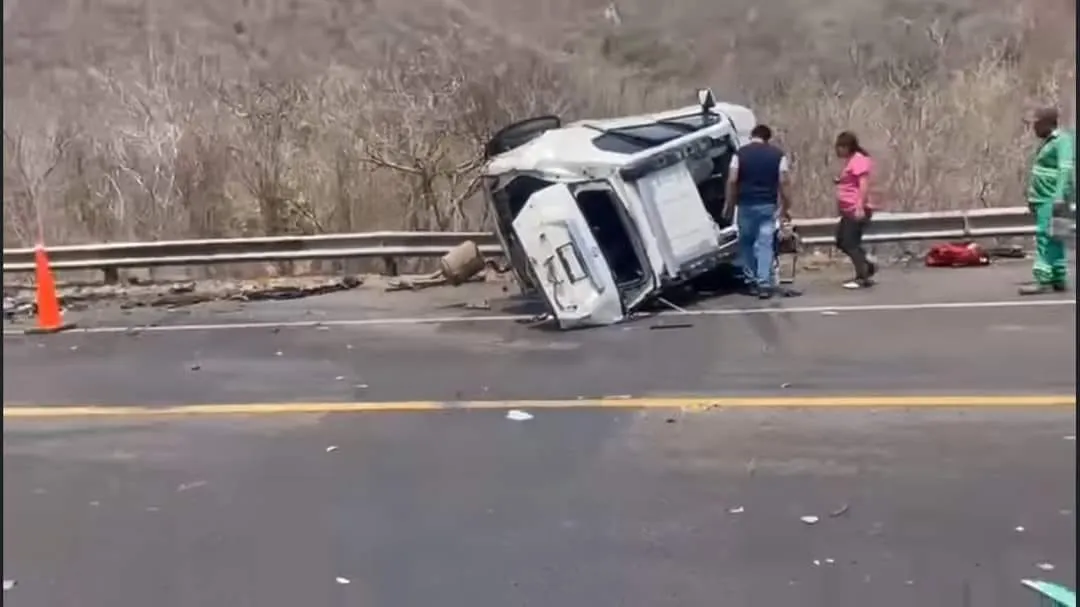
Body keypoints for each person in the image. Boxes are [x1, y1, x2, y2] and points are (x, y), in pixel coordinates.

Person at [725, 123, 792, 299]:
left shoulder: (739, 154)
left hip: (745, 204)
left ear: (752, 136)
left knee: (746, 243)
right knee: (765, 244)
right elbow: (783, 181)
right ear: (767, 138)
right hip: (767, 205)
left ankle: (751, 280)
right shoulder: (778, 155)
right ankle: (764, 283)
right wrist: (786, 205)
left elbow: (732, 179)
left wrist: (729, 204)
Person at [1020, 107, 1074, 295]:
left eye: (1036, 123)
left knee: (1045, 237)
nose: (1033, 127)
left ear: (1046, 123)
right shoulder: (1048, 142)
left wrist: (1058, 196)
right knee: (1055, 237)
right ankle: (1058, 277)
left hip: (1051, 198)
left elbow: (1064, 169)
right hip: (1044, 198)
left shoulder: (1062, 141)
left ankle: (1042, 279)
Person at [833, 131, 876, 289]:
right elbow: (850, 181)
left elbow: (863, 185)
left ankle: (862, 276)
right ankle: (866, 264)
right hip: (847, 210)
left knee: (851, 243)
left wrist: (859, 207)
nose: (838, 151)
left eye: (840, 147)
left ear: (848, 147)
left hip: (856, 209)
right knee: (841, 241)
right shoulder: (851, 161)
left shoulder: (859, 160)